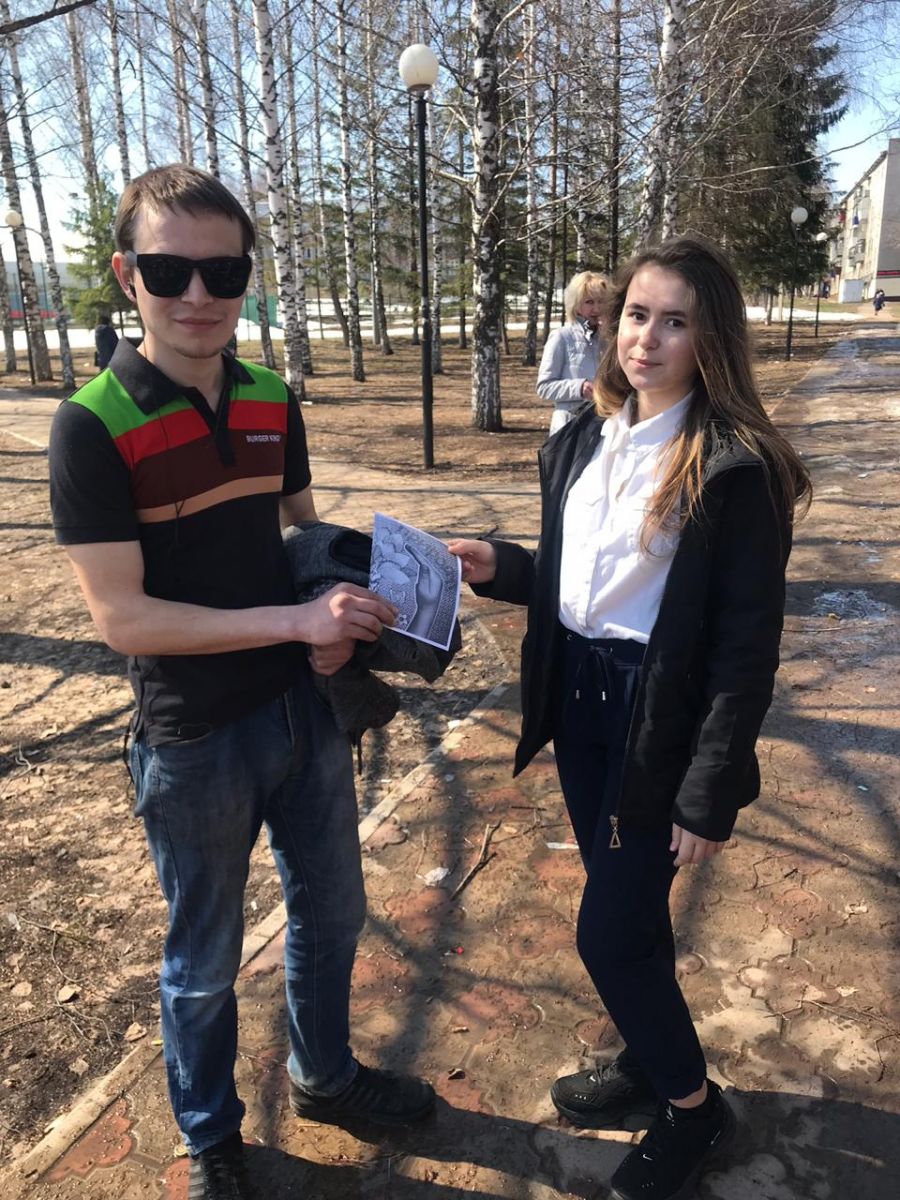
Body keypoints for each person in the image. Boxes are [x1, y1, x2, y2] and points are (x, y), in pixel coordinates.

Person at [48, 165, 435, 1200]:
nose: (197, 295)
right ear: (127, 275)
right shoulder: (90, 424)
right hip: (192, 737)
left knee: (335, 913)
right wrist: (295, 623)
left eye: (222, 272)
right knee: (205, 960)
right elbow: (122, 618)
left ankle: (325, 1076)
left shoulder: (271, 397)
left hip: (305, 709)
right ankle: (211, 1134)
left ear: (246, 278)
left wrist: (364, 600)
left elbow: (299, 532)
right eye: (168, 270)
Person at [450, 235, 810, 1200]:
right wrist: (501, 566)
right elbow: (581, 582)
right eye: (636, 315)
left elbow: (744, 651)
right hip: (581, 704)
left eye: (675, 321)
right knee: (635, 914)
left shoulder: (733, 470)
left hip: (658, 725)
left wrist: (708, 790)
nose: (646, 337)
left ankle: (694, 1111)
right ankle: (652, 1064)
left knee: (607, 935)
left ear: (711, 339)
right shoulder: (586, 437)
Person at [537, 270, 608, 434]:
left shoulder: (609, 339)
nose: (596, 308)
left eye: (601, 301)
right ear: (576, 304)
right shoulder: (562, 337)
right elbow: (544, 387)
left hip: (605, 425)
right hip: (571, 429)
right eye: (589, 302)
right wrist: (579, 387)